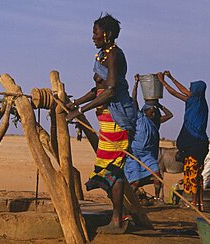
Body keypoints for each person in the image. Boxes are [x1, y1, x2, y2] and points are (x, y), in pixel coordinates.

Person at [65, 14, 137, 234]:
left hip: (118, 119)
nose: (93, 37)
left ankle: (117, 220)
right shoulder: (102, 55)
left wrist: (80, 111)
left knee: (113, 170)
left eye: (96, 33)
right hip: (106, 119)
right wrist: (74, 103)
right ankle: (119, 216)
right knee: (108, 169)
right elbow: (97, 88)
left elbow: (111, 90)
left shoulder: (115, 55)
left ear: (107, 34)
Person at [158, 71, 209, 210]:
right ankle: (200, 203)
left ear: (196, 91)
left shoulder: (193, 101)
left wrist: (162, 82)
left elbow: (175, 93)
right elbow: (184, 91)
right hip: (201, 145)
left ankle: (193, 203)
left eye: (191, 89)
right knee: (198, 174)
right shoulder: (200, 102)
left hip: (193, 143)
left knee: (191, 173)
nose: (189, 91)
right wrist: (171, 77)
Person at [124, 73, 173, 204]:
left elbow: (170, 115)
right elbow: (134, 100)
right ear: (144, 111)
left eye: (154, 111)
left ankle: (157, 198)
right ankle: (129, 201)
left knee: (157, 176)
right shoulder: (139, 117)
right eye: (151, 111)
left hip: (148, 156)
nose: (153, 113)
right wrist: (136, 83)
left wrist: (159, 105)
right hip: (135, 154)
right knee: (135, 181)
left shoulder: (156, 122)